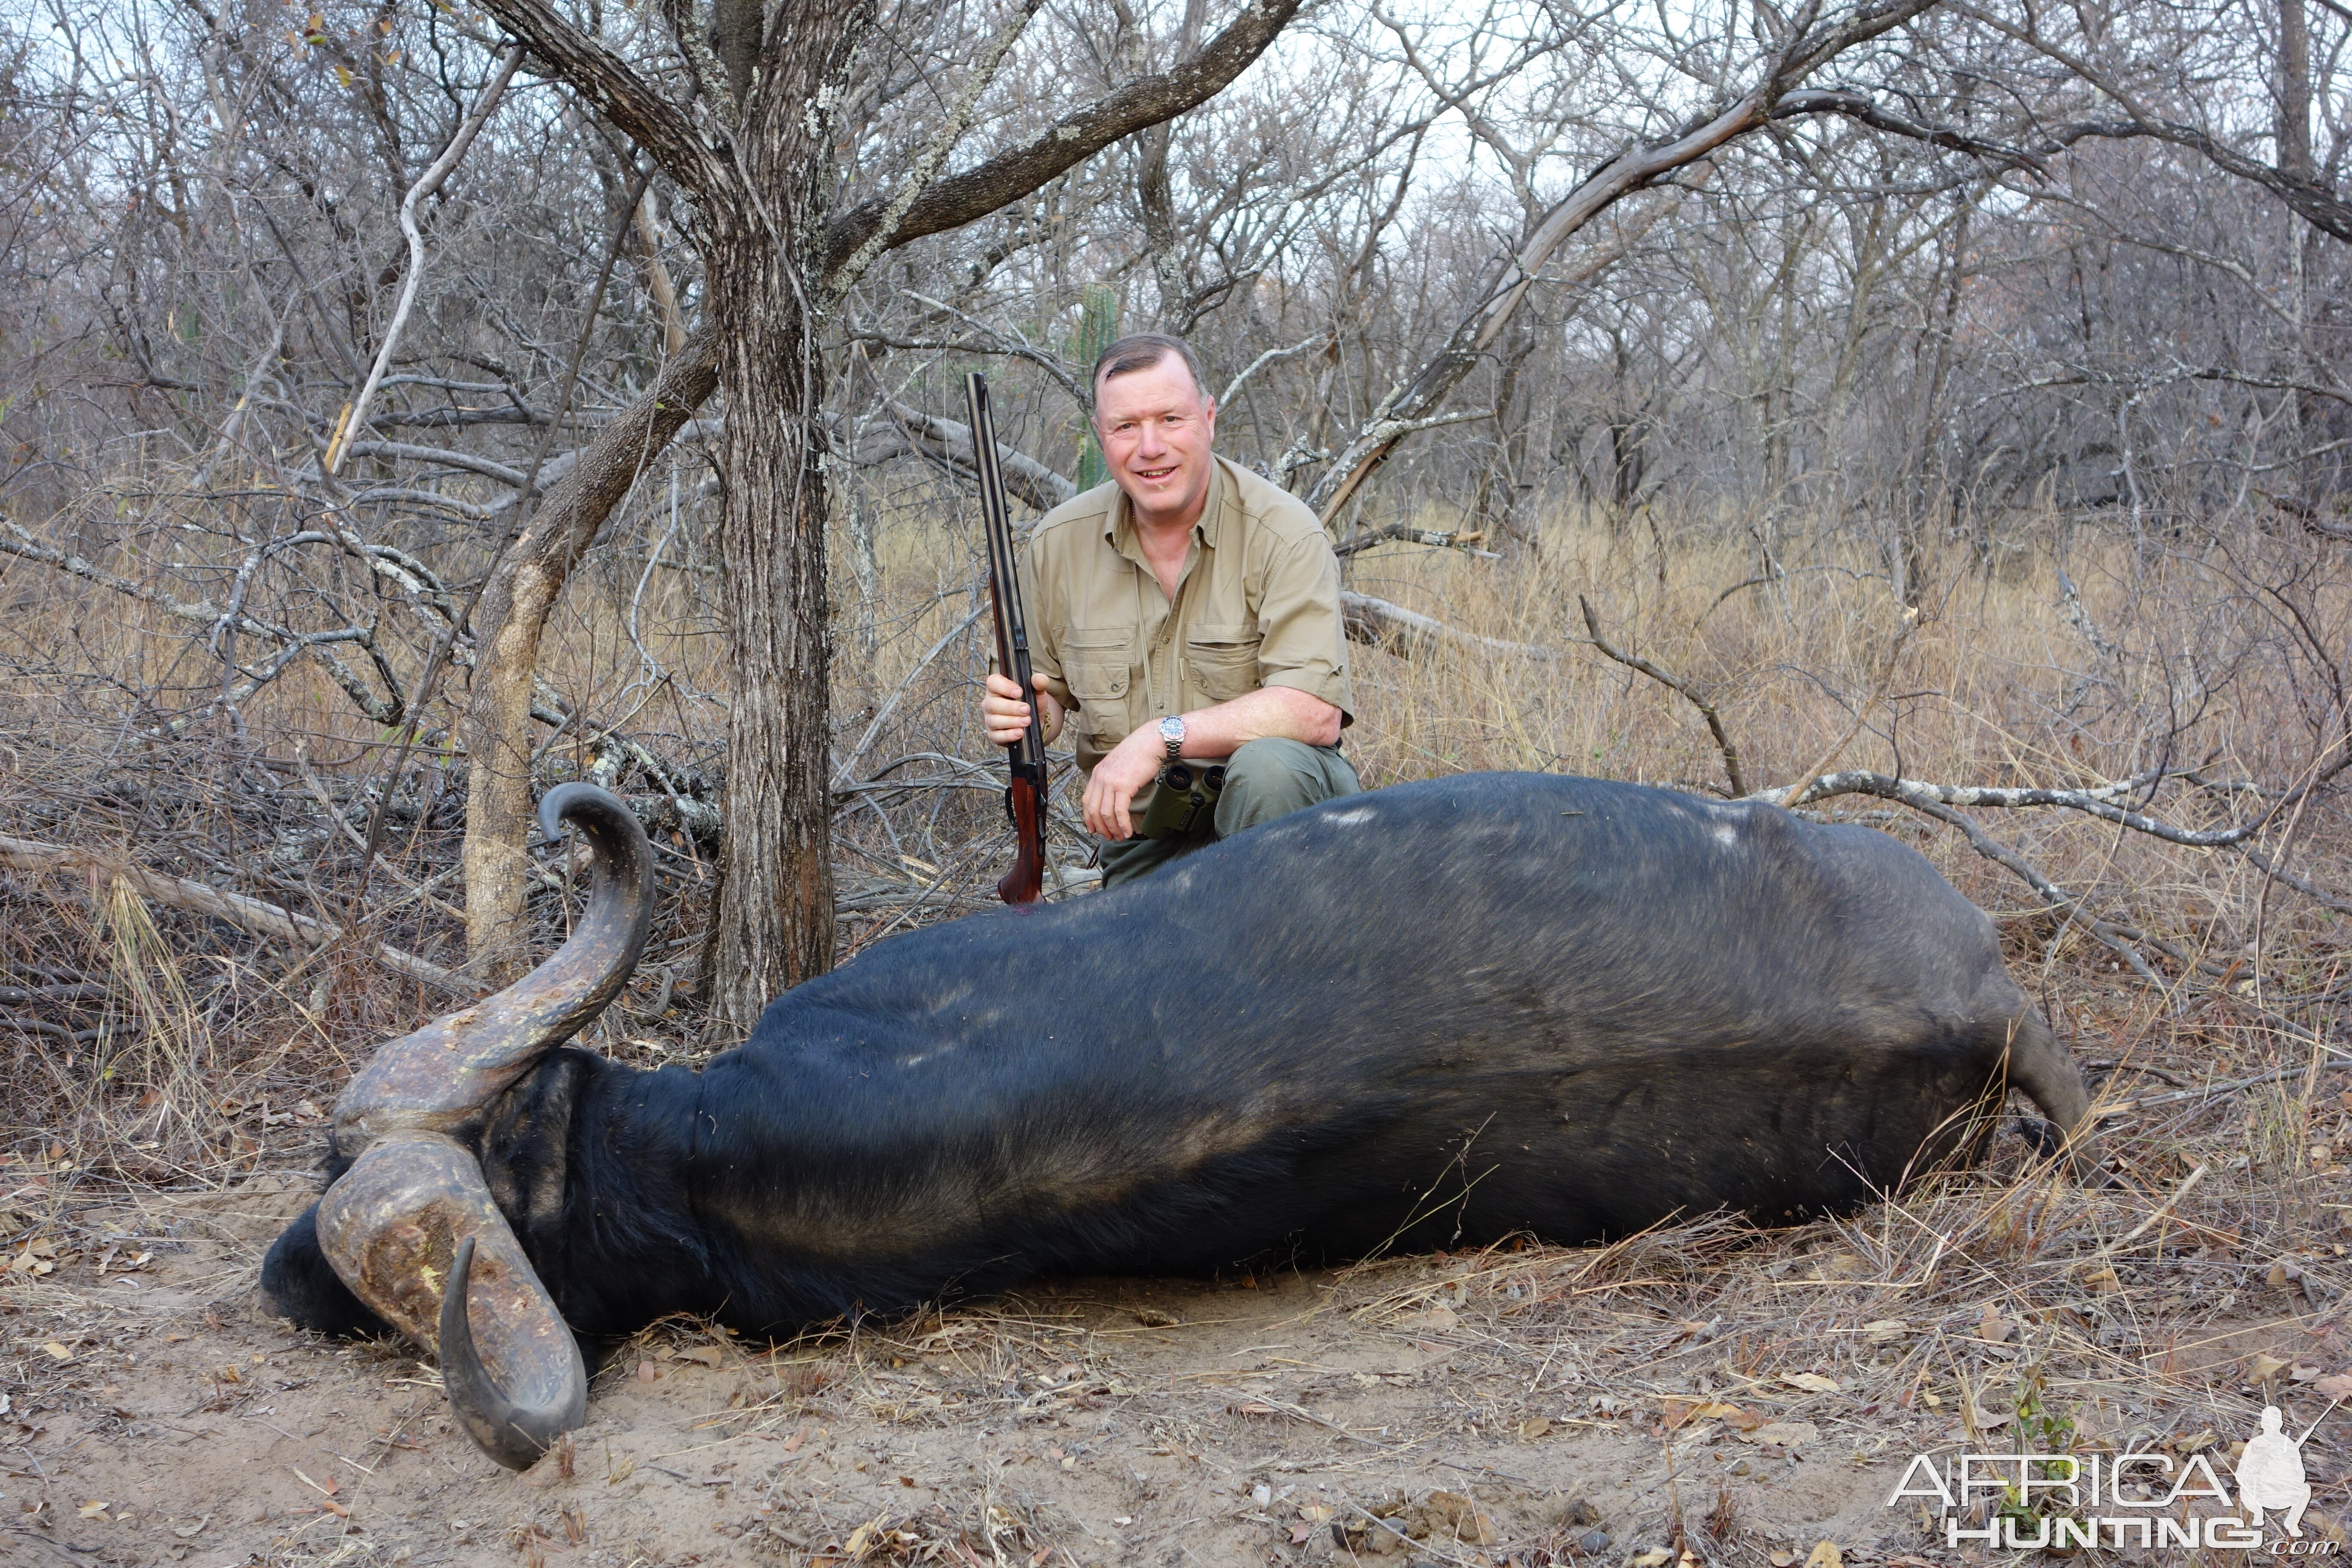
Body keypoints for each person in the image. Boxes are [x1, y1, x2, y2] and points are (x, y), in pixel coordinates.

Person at [981, 332, 1360, 886]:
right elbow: (1051, 700)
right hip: (1150, 840)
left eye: (1170, 420)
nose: (1149, 447)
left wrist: (1160, 736)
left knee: (1270, 770)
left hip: (1285, 828)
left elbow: (1314, 712)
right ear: (1101, 436)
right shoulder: (1058, 544)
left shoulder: (1284, 532)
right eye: (1126, 426)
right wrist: (1027, 715)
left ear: (1208, 417)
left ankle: (1287, 947)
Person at [2235, 1405, 2312, 1537]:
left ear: (2281, 1423)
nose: (2272, 1425)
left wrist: (2285, 1475)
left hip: (2282, 1492)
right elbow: (2241, 1472)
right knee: (2245, 1490)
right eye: (2268, 1422)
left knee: (2306, 1489)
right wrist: (2257, 1475)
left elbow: (2300, 1474)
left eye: (2275, 1422)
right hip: (2258, 1492)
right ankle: (2257, 1516)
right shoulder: (2255, 1444)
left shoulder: (2288, 1444)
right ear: (2263, 1424)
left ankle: (2293, 1523)